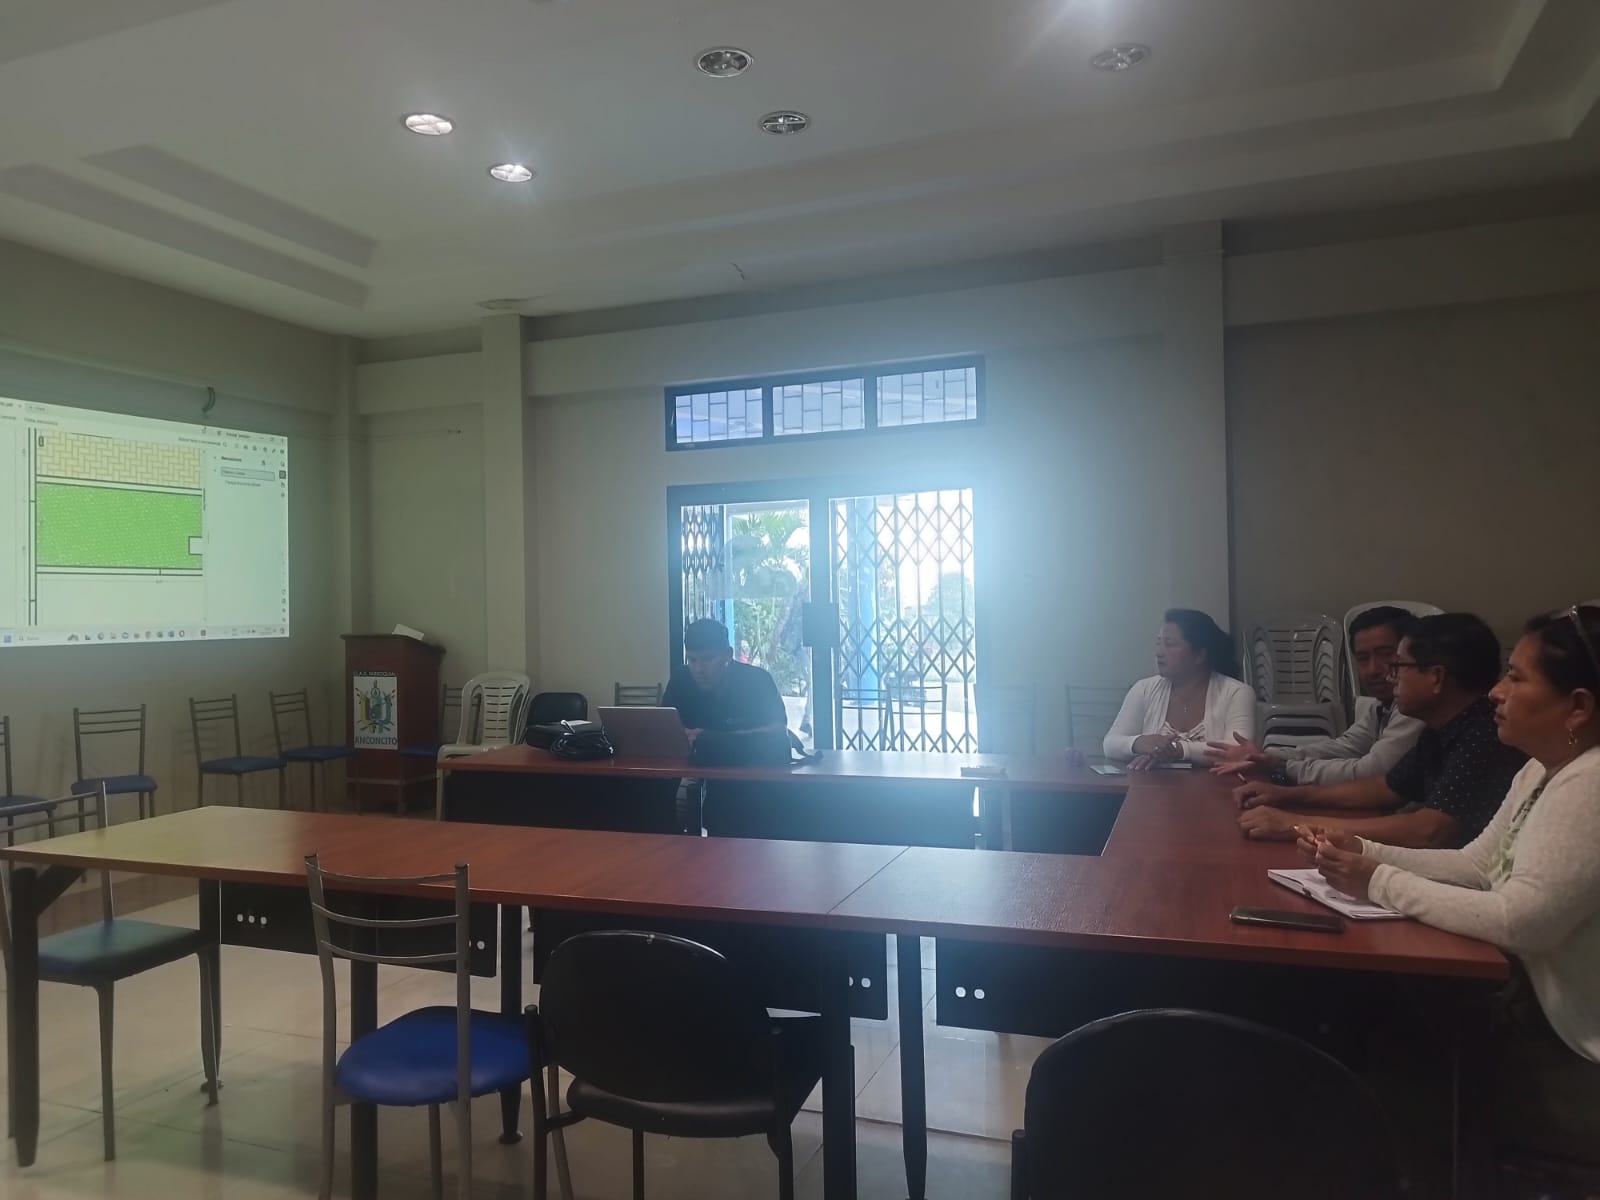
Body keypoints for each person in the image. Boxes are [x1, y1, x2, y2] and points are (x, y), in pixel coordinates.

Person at [1302, 604, 1600, 1161]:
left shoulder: (1591, 782)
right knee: (1371, 1014)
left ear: (1578, 707)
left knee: (1389, 1063)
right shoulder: (1541, 766)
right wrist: (1364, 851)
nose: (1497, 692)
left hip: (1568, 1049)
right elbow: (1476, 866)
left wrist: (1378, 880)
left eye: (1517, 678)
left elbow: (1519, 921)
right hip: (1528, 1009)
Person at [1236, 612, 1525, 845]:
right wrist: (1285, 795)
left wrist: (1296, 824)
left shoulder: (1487, 732)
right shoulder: (1441, 726)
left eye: (1398, 665)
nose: (1389, 675)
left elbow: (1430, 831)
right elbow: (1385, 788)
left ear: (1436, 677)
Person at [1206, 605, 1423, 783]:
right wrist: (1267, 756)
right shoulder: (1381, 705)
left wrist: (1281, 767)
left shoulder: (1414, 708)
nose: (1372, 669)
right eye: (1363, 658)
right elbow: (1347, 746)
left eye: (1385, 654)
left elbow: (1370, 772)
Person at [1103, 608, 1256, 769]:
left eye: (1169, 644)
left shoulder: (1237, 693)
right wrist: (1138, 743)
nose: (1159, 652)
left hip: (1217, 784)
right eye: (1158, 643)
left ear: (1200, 655)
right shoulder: (1143, 689)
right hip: (1152, 784)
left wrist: (1179, 750)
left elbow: (1239, 749)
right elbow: (1110, 744)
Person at [662, 617, 787, 742]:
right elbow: (662, 727)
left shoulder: (758, 681)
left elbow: (779, 732)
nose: (699, 669)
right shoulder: (680, 680)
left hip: (747, 755)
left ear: (728, 655)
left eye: (707, 659)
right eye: (692, 660)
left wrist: (712, 739)